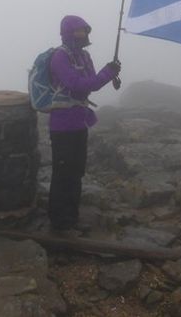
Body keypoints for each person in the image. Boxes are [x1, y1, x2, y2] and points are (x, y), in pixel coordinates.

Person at [47, 15, 120, 234]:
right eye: (80, 31)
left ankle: (71, 217)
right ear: (68, 33)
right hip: (62, 125)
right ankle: (59, 223)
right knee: (63, 173)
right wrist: (107, 73)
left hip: (78, 122)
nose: (85, 35)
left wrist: (109, 73)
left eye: (86, 31)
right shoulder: (59, 57)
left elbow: (90, 85)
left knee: (76, 171)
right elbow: (77, 85)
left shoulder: (84, 55)